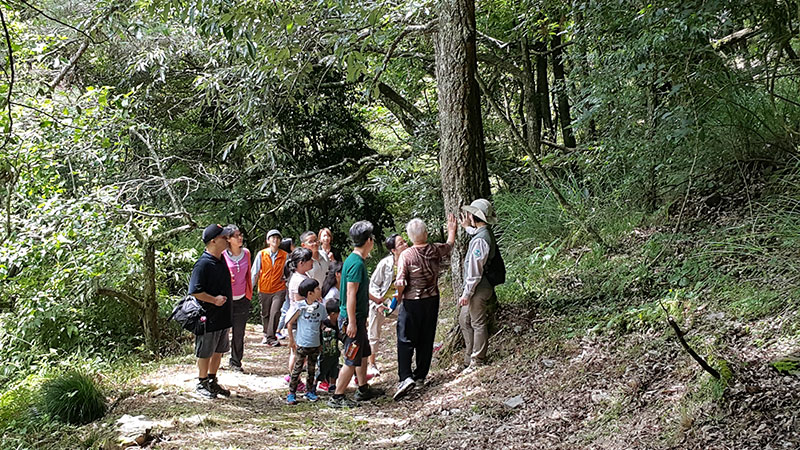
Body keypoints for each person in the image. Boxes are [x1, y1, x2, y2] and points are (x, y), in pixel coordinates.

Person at [393, 215, 457, 400]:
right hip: (432, 299)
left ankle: (405, 376)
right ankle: (420, 375)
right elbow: (449, 245)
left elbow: (401, 281)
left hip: (412, 301)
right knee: (426, 337)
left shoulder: (406, 255)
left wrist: (398, 297)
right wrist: (451, 230)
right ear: (426, 233)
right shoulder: (434, 249)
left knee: (405, 338)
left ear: (410, 236)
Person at [327, 221, 386, 408]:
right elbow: (350, 293)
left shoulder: (355, 261)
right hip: (351, 319)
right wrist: (352, 322)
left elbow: (358, 289)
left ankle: (363, 388)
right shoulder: (356, 264)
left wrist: (375, 299)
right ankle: (337, 396)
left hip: (358, 317)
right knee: (351, 358)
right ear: (368, 240)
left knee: (363, 353)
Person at [189, 224, 234, 399]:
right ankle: (201, 383)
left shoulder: (221, 260)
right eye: (224, 237)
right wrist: (214, 300)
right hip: (208, 317)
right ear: (213, 241)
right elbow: (195, 291)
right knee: (205, 350)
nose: (227, 240)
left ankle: (212, 380)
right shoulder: (203, 264)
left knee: (218, 350)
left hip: (223, 317)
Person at [458, 198, 499, 371]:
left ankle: (478, 360)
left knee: (477, 322)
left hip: (479, 288)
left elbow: (475, 272)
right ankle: (470, 357)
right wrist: (466, 227)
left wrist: (467, 293)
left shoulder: (480, 241)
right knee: (464, 320)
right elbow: (476, 234)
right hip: (480, 287)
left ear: (475, 217)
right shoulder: (483, 233)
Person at [366, 233, 408, 376]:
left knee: (412, 322)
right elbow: (373, 284)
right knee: (374, 333)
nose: (405, 245)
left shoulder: (409, 260)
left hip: (399, 302)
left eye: (405, 242)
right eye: (401, 244)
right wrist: (378, 303)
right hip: (381, 302)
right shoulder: (385, 264)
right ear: (393, 250)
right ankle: (371, 364)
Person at [286, 278, 325, 405]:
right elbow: (290, 323)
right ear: (310, 293)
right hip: (302, 343)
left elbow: (322, 323)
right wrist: (292, 340)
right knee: (297, 368)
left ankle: (310, 391)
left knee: (312, 369)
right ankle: (292, 392)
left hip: (315, 344)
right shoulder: (300, 307)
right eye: (317, 289)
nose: (320, 290)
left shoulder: (321, 308)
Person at [221, 225, 253, 372]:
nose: (240, 238)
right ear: (228, 239)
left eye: (240, 235)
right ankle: (216, 357)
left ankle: (235, 362)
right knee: (223, 330)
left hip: (242, 299)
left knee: (239, 332)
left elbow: (248, 275)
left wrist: (249, 295)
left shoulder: (246, 253)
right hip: (226, 300)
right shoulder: (222, 255)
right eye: (236, 236)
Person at [283, 247, 314, 390]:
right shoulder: (297, 280)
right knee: (296, 352)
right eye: (309, 260)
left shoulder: (303, 276)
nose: (312, 262)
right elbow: (299, 301)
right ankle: (294, 378)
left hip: (302, 319)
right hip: (296, 320)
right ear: (301, 263)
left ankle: (294, 376)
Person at [251, 229, 287, 347]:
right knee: (265, 313)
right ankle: (266, 334)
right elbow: (255, 272)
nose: (275, 240)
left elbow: (289, 272)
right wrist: (250, 288)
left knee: (275, 312)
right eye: (273, 238)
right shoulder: (262, 254)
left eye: (277, 238)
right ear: (268, 241)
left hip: (279, 288)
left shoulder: (285, 255)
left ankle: (271, 337)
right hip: (264, 288)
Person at [317, 299, 341, 393]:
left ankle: (332, 384)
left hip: (334, 349)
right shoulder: (325, 323)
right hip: (325, 350)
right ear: (332, 314)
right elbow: (319, 334)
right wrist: (319, 346)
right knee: (323, 366)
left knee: (335, 366)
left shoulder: (339, 323)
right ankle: (322, 382)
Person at [275, 238, 295, 339]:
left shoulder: (286, 258)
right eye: (292, 244)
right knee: (286, 308)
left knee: (286, 308)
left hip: (287, 286)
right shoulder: (289, 260)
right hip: (289, 287)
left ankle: (279, 329)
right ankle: (278, 329)